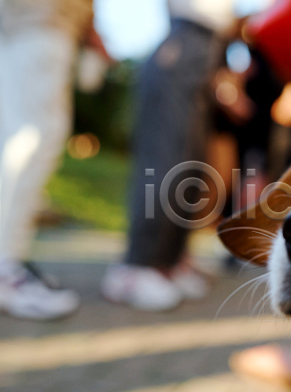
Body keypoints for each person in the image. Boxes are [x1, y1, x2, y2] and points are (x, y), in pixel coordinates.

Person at [101, 0, 236, 311]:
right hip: (184, 43)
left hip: (207, 52)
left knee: (190, 160)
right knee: (166, 156)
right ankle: (136, 268)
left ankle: (169, 261)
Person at [0, 0, 94, 319]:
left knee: (1, 146)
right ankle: (4, 268)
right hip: (38, 21)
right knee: (34, 137)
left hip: (9, 24)